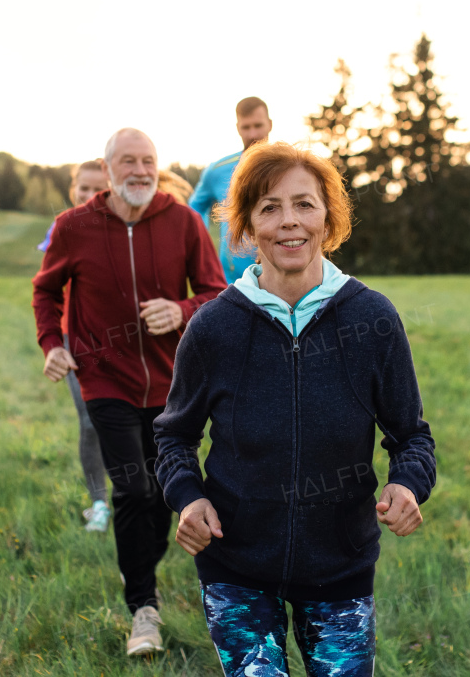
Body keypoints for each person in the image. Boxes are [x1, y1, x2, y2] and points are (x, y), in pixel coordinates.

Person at [155, 141, 436, 676]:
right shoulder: (213, 327)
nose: (290, 222)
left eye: (305, 204)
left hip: (339, 567)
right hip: (233, 564)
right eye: (269, 207)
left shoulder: (372, 318)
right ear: (244, 226)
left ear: (329, 216)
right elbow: (174, 436)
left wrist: (407, 482)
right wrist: (187, 498)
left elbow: (411, 436)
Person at [32, 128, 227, 657]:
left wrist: (181, 310)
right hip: (104, 381)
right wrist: (52, 342)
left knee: (164, 493)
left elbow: (214, 292)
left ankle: (139, 568)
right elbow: (46, 289)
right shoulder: (73, 226)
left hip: (172, 385)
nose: (140, 170)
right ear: (109, 167)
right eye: (128, 161)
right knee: (133, 491)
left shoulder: (183, 222)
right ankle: (144, 608)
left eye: (148, 161)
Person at [35, 160, 113, 532]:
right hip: (74, 340)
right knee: (89, 422)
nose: (90, 195)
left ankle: (148, 496)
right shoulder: (64, 227)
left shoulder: (122, 227)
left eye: (99, 188)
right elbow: (47, 286)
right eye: (84, 188)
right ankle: (99, 503)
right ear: (72, 189)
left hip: (121, 338)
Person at [188, 96, 273, 283]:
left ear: (270, 125)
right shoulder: (217, 171)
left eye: (258, 126)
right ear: (237, 128)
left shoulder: (291, 168)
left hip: (282, 277)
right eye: (246, 127)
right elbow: (194, 209)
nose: (252, 134)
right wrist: (202, 247)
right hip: (232, 282)